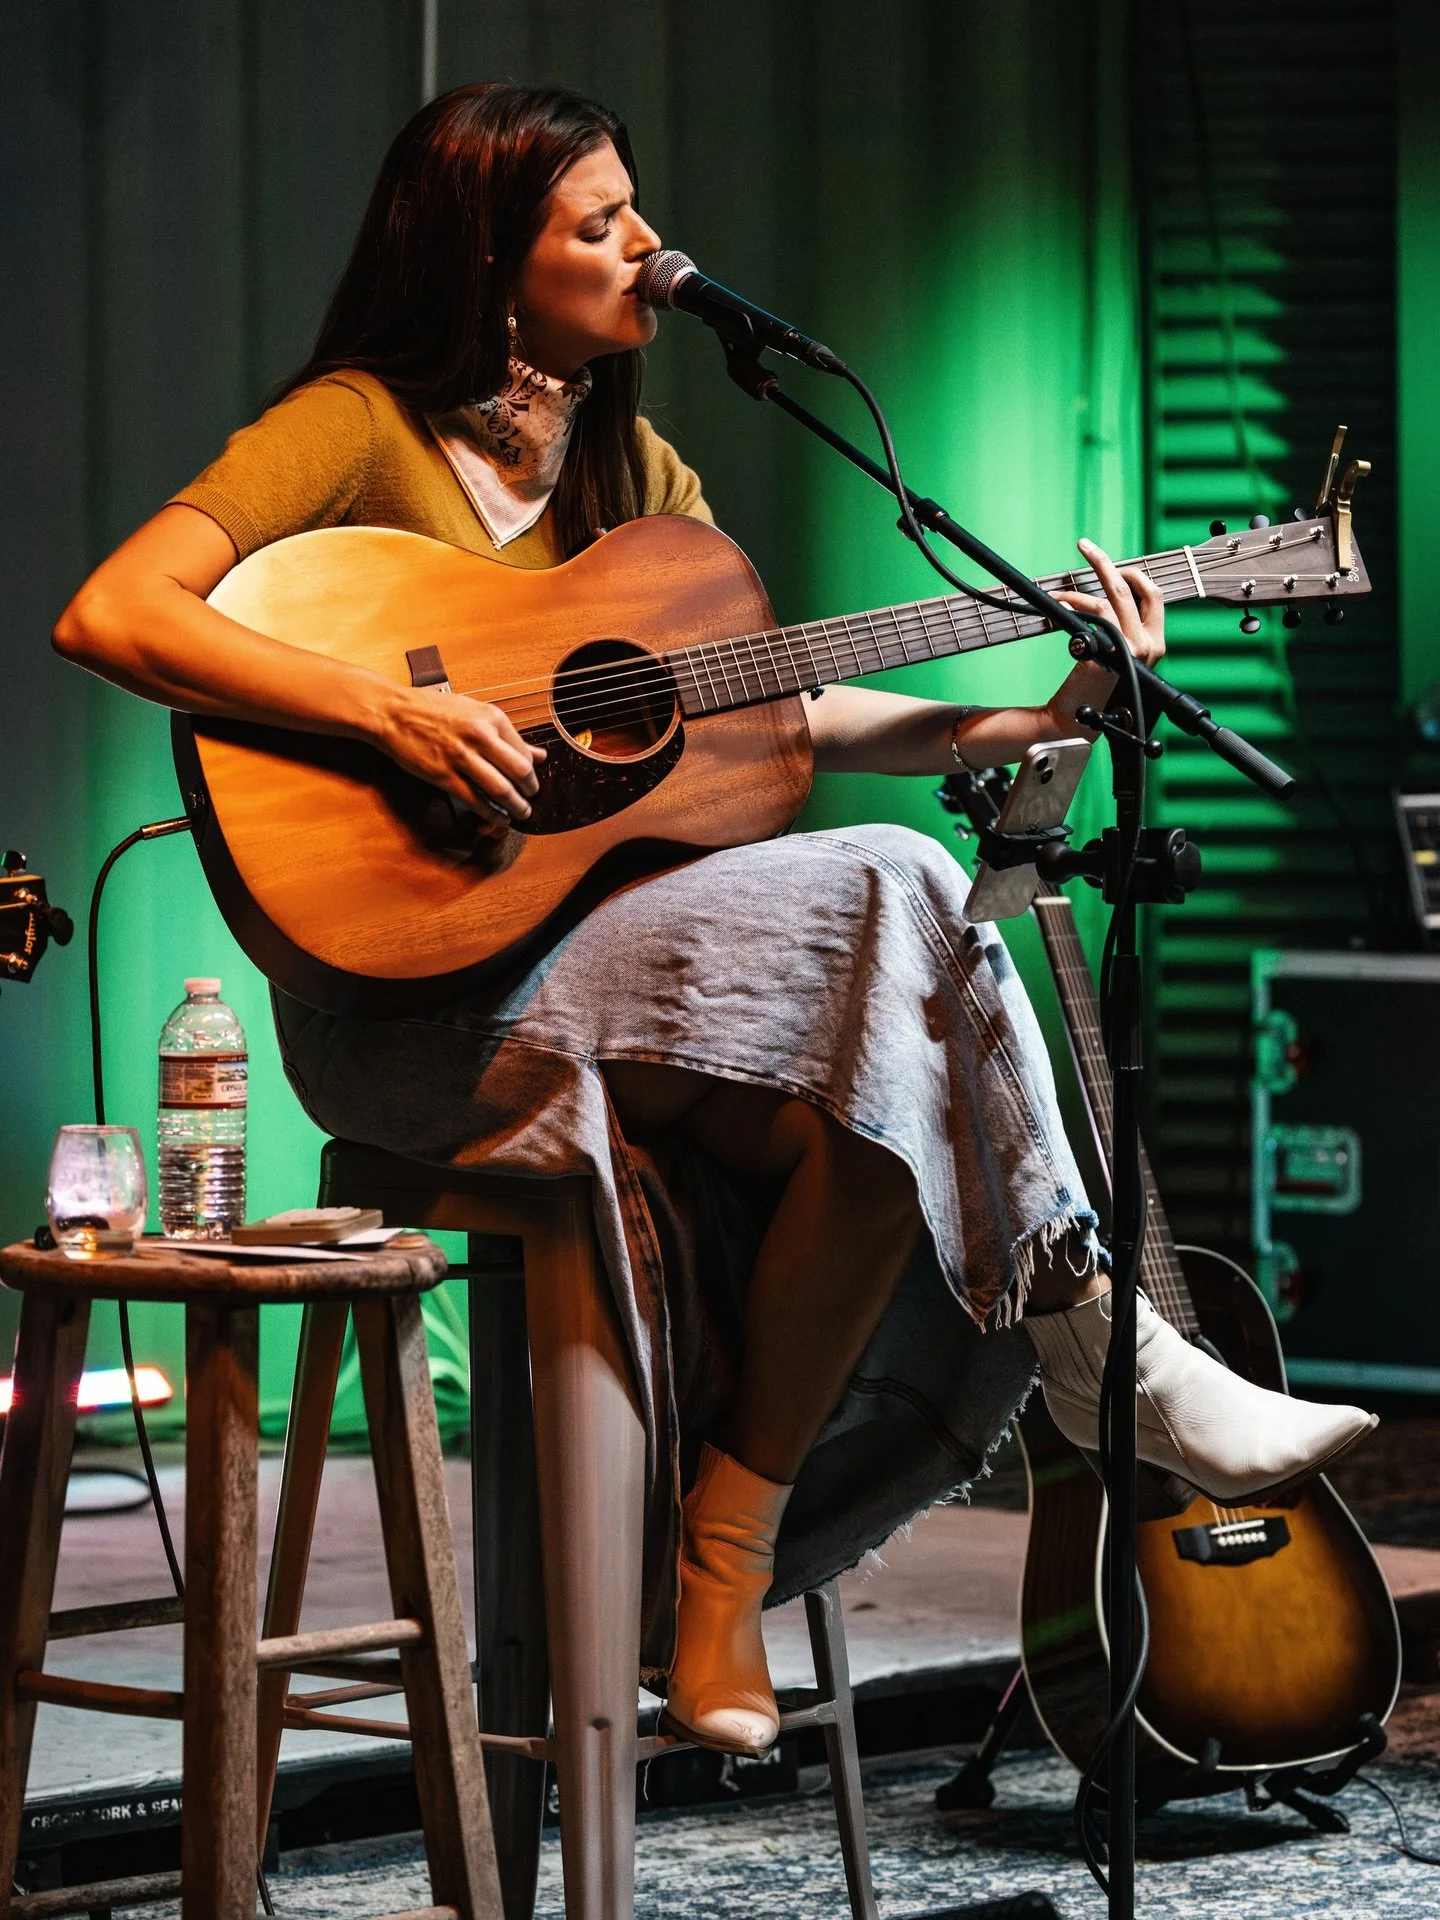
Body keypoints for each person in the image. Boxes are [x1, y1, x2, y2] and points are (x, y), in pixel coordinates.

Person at [54, 82, 1374, 1759]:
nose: (644, 249)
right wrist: (380, 715)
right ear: (486, 254)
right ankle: (1100, 1344)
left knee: (882, 1120)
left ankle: (722, 1565)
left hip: (619, 988)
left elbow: (788, 721)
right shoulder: (356, 428)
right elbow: (113, 611)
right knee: (900, 882)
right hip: (416, 1013)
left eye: (637, 213)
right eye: (596, 226)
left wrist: (1054, 707)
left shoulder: (636, 475)